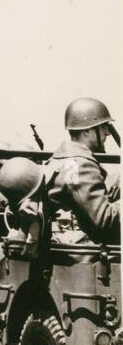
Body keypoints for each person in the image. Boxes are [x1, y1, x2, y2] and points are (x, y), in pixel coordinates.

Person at [44, 97, 119, 244]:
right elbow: (105, 219)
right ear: (87, 131)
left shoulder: (62, 161)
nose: (107, 133)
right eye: (104, 127)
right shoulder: (79, 165)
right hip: (83, 257)